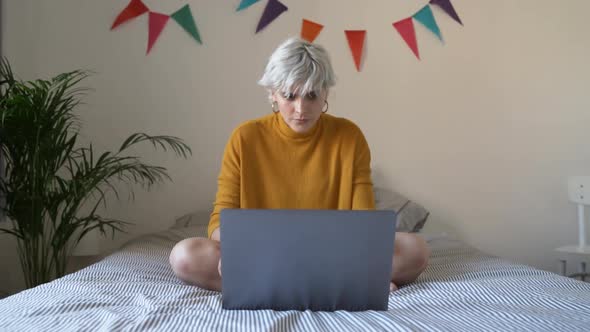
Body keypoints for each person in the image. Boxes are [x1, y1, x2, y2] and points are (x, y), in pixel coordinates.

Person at [169, 37, 429, 292]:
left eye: (311, 95)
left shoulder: (349, 136)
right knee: (184, 255)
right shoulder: (244, 137)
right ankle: (332, 284)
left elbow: (363, 217)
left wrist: (362, 256)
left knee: (415, 250)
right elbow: (220, 217)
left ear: (326, 92)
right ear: (272, 94)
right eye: (289, 95)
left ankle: (274, 285)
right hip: (262, 255)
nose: (300, 108)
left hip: (334, 255)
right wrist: (234, 250)